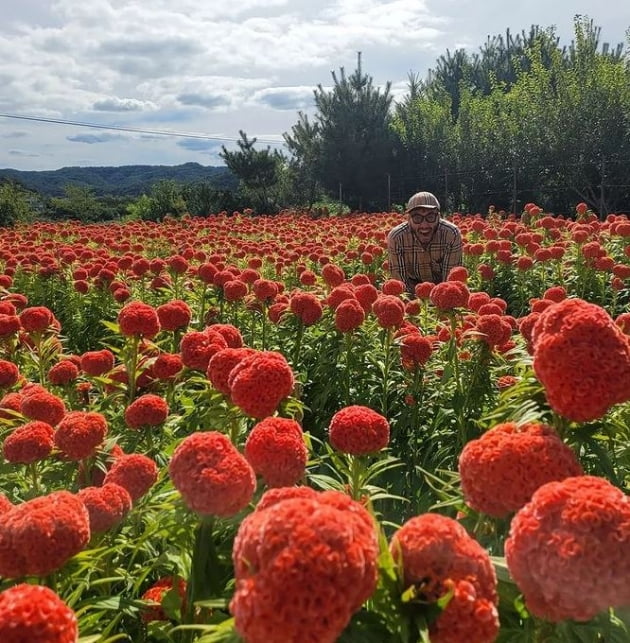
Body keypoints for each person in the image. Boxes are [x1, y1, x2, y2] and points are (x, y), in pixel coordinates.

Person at [387, 191, 462, 294]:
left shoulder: (451, 234)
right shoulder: (397, 237)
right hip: (412, 289)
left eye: (430, 217)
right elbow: (400, 285)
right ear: (408, 219)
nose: (424, 225)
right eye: (417, 218)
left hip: (441, 290)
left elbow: (450, 283)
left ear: (438, 217)